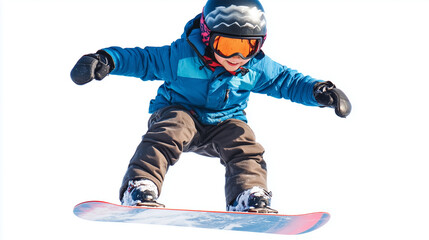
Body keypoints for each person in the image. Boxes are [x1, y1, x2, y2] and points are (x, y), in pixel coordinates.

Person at [70, 0, 351, 213]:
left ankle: (248, 194)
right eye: (228, 45)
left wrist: (319, 91)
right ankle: (141, 185)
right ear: (207, 36)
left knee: (243, 140)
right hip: (178, 113)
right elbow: (143, 60)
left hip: (224, 122)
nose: (238, 57)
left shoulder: (254, 67)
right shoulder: (180, 56)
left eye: (248, 46)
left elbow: (287, 81)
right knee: (173, 128)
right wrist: (106, 60)